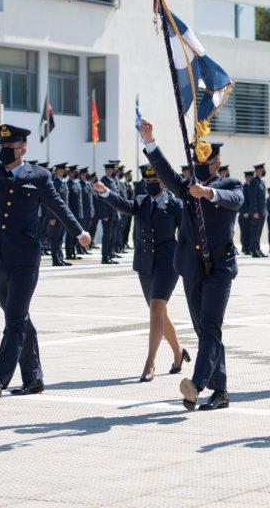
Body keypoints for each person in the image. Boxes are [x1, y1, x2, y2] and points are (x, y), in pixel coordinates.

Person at [0, 122, 90, 401]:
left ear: (23, 148)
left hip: (25, 259)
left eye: (9, 147)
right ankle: (34, 378)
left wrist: (79, 232)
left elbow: (58, 205)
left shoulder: (39, 176)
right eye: (1, 147)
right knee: (19, 317)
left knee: (14, 320)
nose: (4, 152)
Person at [139, 119, 243, 412]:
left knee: (210, 327)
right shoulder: (185, 187)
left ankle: (196, 385)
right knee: (204, 331)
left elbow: (235, 199)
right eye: (195, 161)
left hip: (219, 268)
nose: (197, 166)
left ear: (216, 163)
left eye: (204, 161)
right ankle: (220, 390)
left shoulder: (228, 184)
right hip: (191, 267)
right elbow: (165, 173)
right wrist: (150, 141)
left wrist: (209, 193)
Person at [94, 164, 190, 382]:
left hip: (168, 264)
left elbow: (187, 233)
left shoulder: (176, 205)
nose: (150, 185)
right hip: (145, 265)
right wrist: (105, 192)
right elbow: (124, 205)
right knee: (160, 314)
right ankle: (178, 352)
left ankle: (150, 363)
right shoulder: (141, 202)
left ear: (164, 182)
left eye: (154, 181)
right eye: (146, 182)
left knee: (156, 309)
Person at [98, 161, 122, 264]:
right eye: (112, 169)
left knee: (112, 236)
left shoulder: (112, 181)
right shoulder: (103, 181)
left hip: (115, 213)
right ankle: (105, 257)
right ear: (108, 170)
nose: (114, 171)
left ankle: (110, 254)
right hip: (108, 214)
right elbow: (100, 199)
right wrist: (104, 214)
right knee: (107, 236)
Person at [248, 163, 268, 257]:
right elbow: (253, 198)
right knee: (255, 231)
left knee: (259, 231)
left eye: (262, 169)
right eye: (260, 169)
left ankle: (257, 248)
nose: (261, 171)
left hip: (262, 211)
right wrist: (255, 211)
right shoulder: (254, 182)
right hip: (257, 212)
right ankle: (253, 249)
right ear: (256, 171)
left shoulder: (262, 182)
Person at [239, 170, 254, 255]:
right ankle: (245, 248)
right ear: (245, 178)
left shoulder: (252, 186)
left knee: (251, 232)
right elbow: (242, 202)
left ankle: (249, 247)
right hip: (244, 214)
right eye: (248, 177)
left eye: (250, 177)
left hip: (251, 213)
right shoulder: (243, 187)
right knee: (245, 232)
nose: (249, 178)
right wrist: (244, 212)